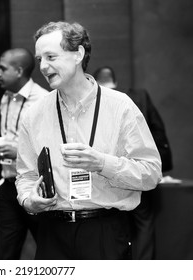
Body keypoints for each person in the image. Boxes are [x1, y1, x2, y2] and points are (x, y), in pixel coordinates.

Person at [16, 21, 162, 260]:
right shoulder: (33, 114)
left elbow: (151, 173)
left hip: (104, 231)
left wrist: (102, 163)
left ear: (78, 54)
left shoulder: (121, 106)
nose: (43, 66)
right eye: (39, 58)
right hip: (52, 234)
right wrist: (29, 200)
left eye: (51, 56)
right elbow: (26, 175)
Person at [93, 65, 173, 259]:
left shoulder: (94, 101)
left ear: (94, 83)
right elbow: (158, 131)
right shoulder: (138, 97)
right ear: (115, 81)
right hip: (140, 171)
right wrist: (160, 167)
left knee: (111, 223)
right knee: (143, 222)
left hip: (107, 174)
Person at [0, 48, 48, 259]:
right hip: (8, 186)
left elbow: (52, 147)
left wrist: (19, 152)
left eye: (2, 68)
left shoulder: (44, 99)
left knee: (47, 251)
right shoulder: (6, 98)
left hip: (36, 186)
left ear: (18, 70)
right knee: (4, 255)